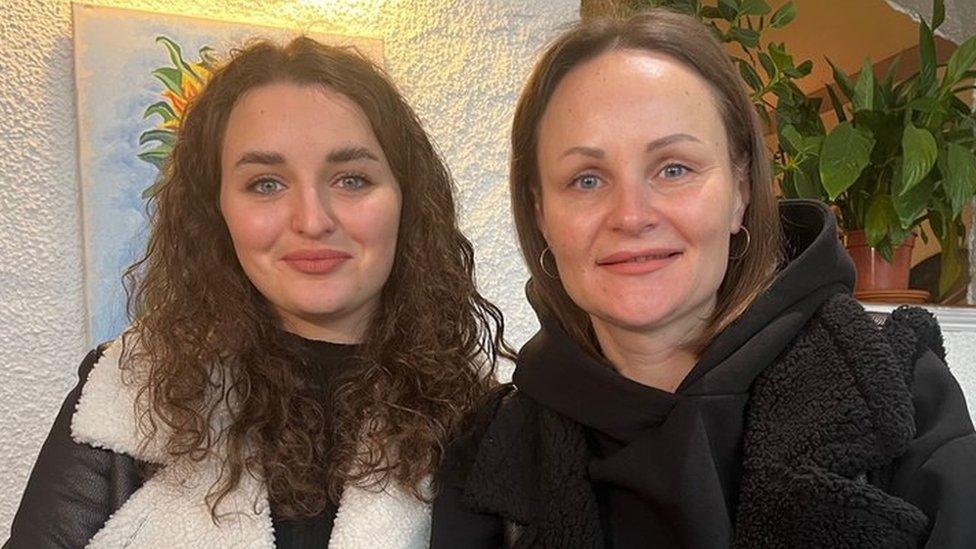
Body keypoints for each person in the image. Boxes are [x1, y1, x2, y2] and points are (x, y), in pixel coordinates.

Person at [430, 10, 976, 548]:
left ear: (741, 190)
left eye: (674, 168)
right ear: (541, 213)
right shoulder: (490, 451)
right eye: (587, 179)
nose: (631, 215)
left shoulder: (894, 386)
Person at [6, 36, 509, 549]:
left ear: (408, 201)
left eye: (352, 179)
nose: (312, 220)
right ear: (215, 208)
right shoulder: (127, 391)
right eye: (266, 183)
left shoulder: (484, 421)